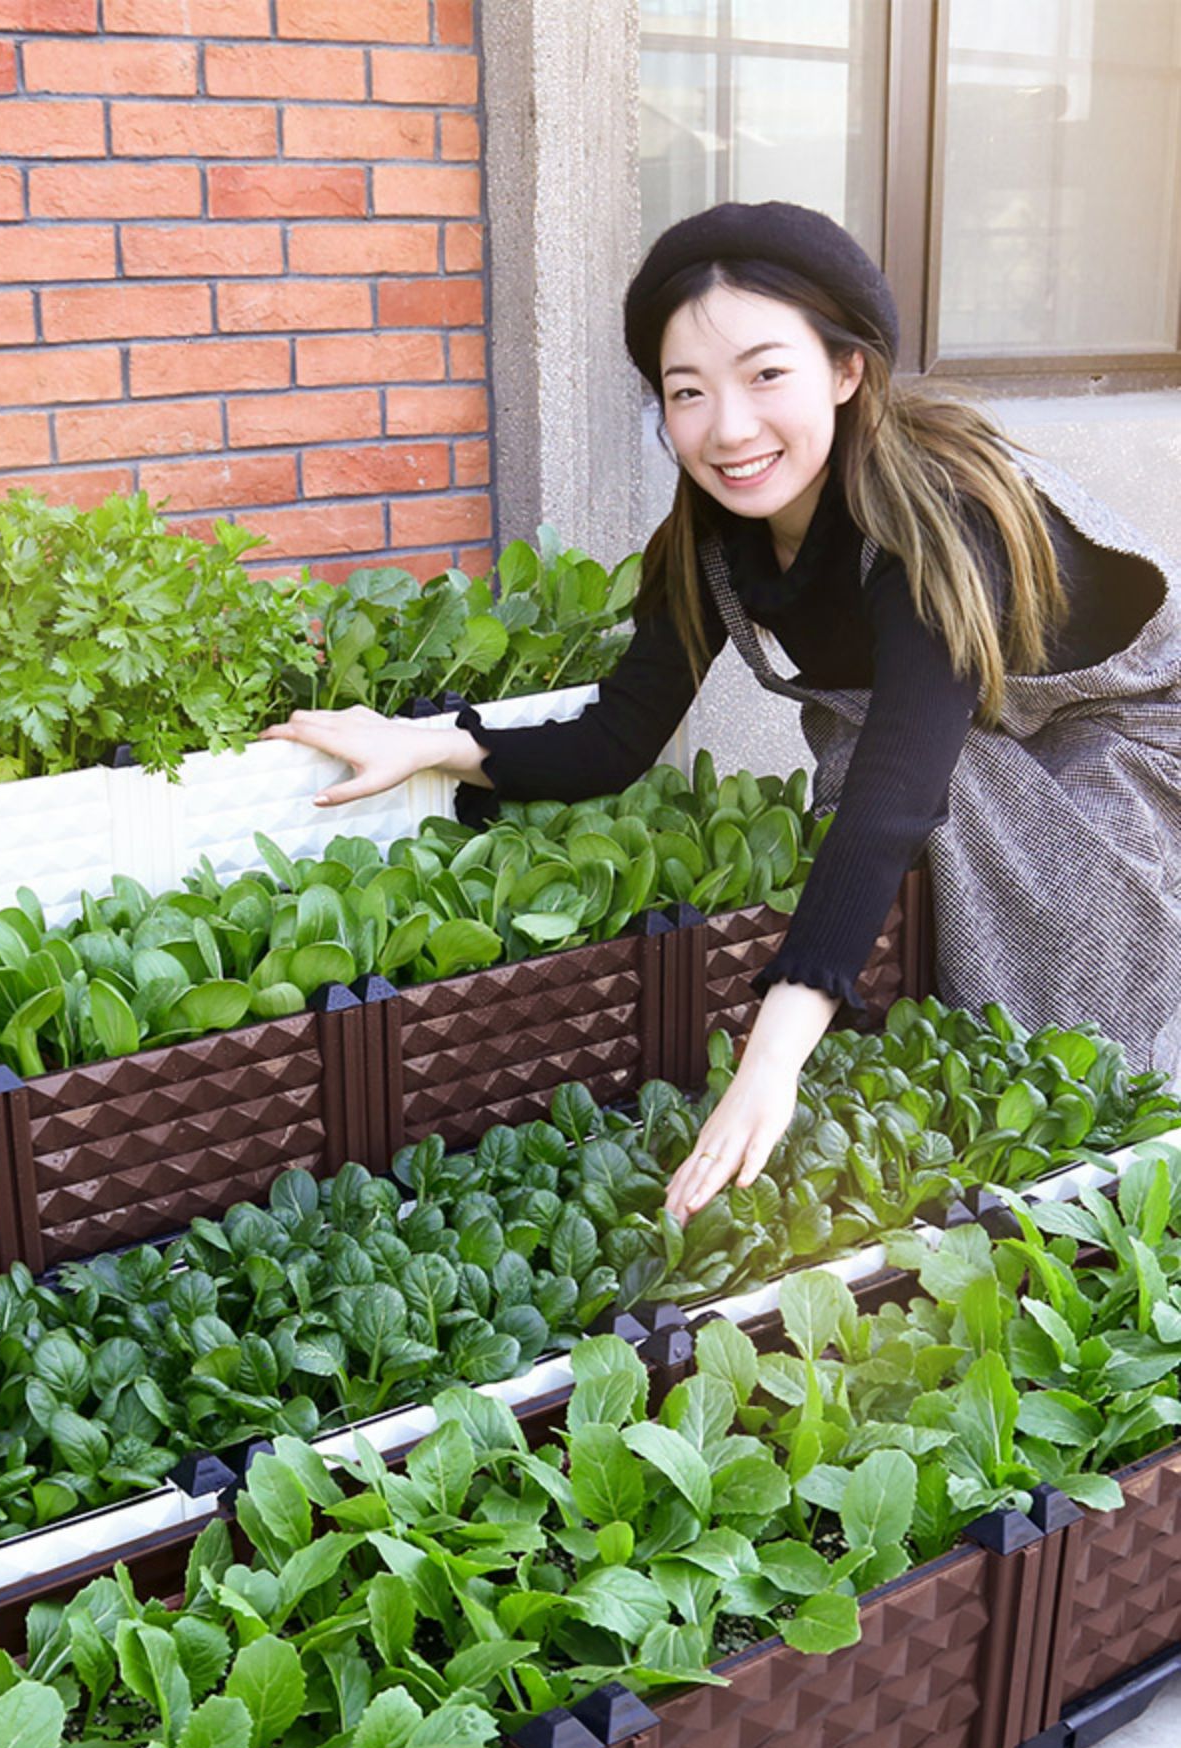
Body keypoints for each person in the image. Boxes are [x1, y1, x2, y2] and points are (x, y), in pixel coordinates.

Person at [262, 200, 1181, 1220]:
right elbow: (618, 739)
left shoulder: (934, 516)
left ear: (847, 371)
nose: (728, 428)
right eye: (687, 392)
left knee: (1035, 917)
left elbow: (892, 796)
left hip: (1132, 732)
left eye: (766, 375)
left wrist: (770, 1060)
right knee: (891, 786)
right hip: (974, 739)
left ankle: (1111, 1126)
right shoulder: (710, 546)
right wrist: (428, 744)